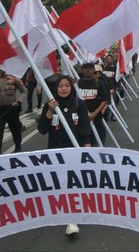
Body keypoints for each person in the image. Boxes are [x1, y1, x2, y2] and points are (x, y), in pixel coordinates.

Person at [37, 75, 91, 237]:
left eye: (67, 85)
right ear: (55, 88)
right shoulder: (50, 105)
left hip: (74, 152)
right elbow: (42, 129)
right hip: (55, 152)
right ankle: (64, 212)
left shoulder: (78, 103)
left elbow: (85, 127)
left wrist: (87, 147)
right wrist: (50, 110)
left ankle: (71, 220)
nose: (64, 88)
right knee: (60, 185)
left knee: (72, 185)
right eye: (60, 86)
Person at [0, 69, 26, 155]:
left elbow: (24, 92)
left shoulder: (14, 79)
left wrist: (18, 101)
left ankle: (18, 147)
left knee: (15, 129)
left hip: (12, 108)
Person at [78, 62, 109, 146]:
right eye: (85, 68)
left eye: (90, 68)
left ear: (93, 70)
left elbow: (104, 100)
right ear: (82, 70)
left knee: (98, 144)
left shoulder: (99, 83)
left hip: (96, 120)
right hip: (81, 120)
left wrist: (94, 114)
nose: (88, 70)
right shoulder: (77, 84)